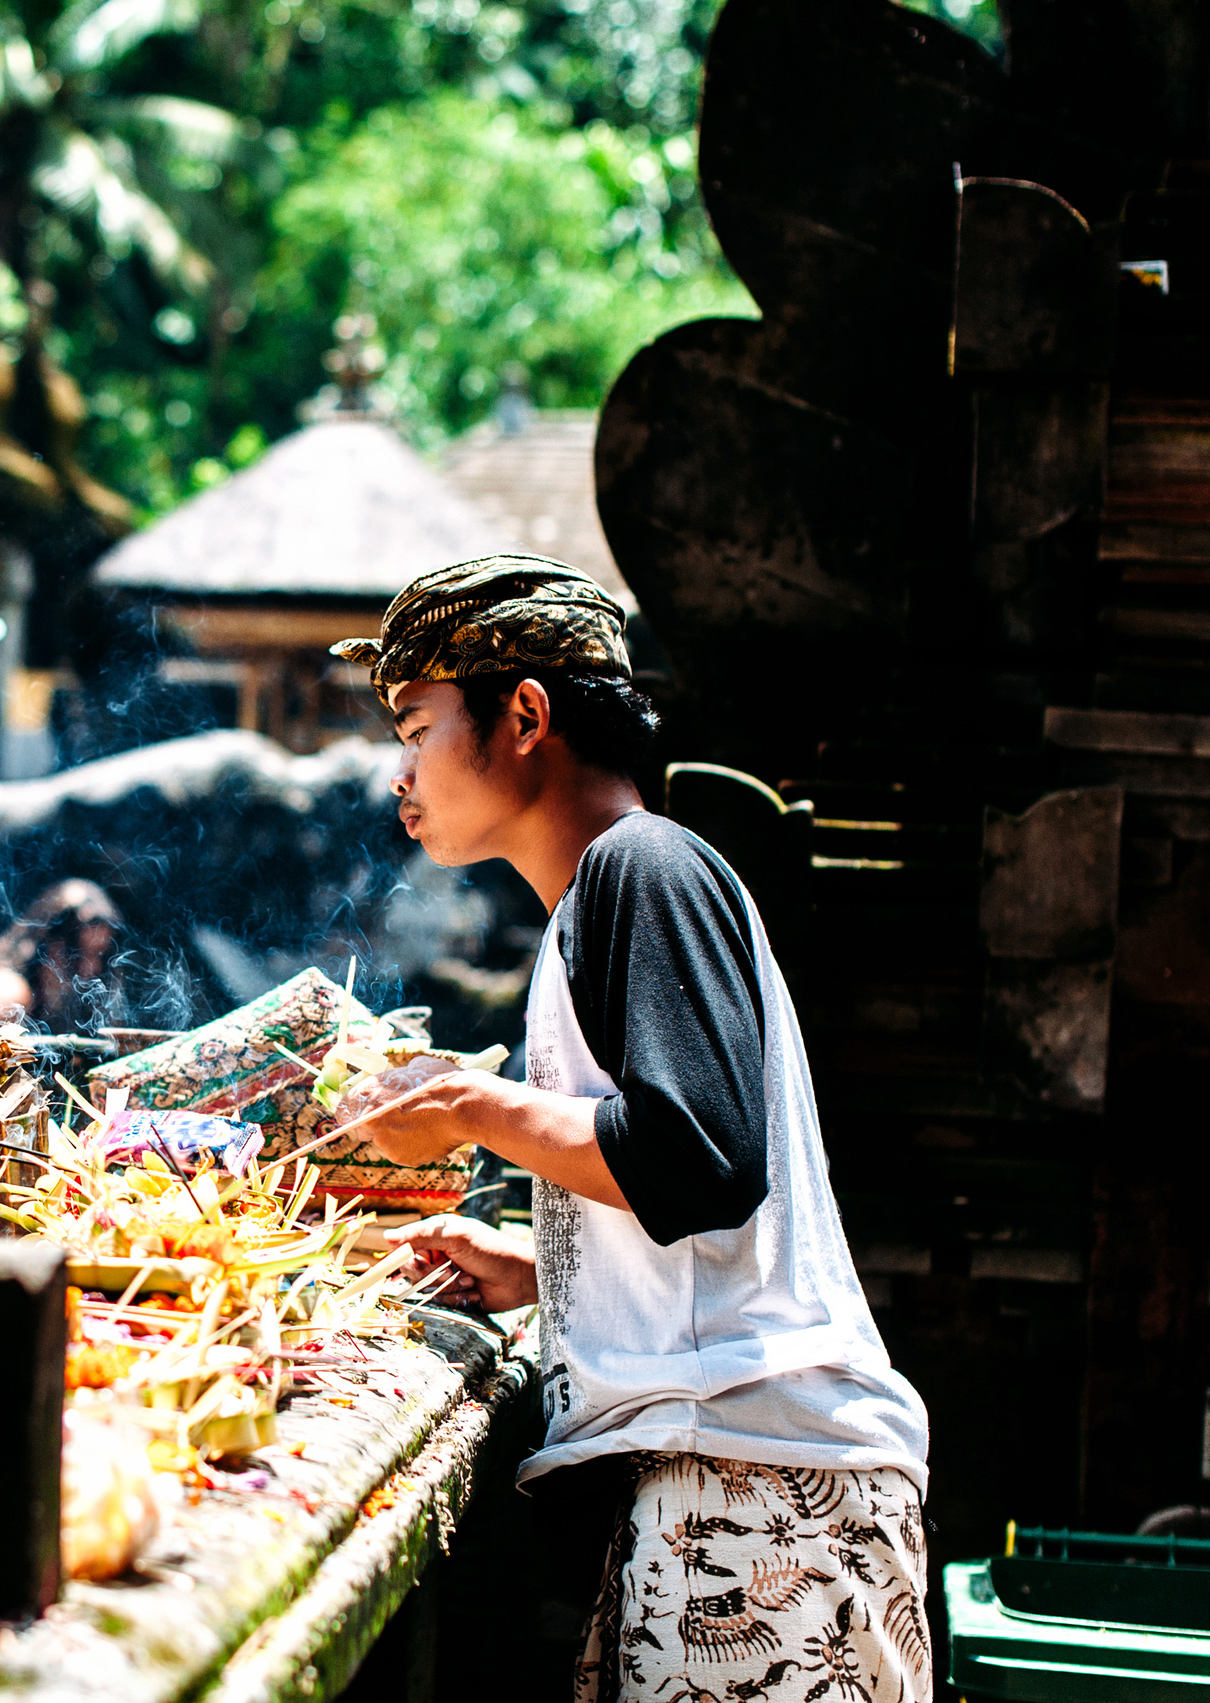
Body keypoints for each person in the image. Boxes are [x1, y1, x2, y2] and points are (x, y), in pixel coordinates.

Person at [328, 557, 932, 1703]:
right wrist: (548, 1271)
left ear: (524, 716)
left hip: (766, 1495)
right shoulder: (595, 904)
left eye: (415, 725)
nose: (398, 772)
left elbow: (700, 1156)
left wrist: (470, 1106)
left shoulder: (642, 866)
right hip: (717, 1480)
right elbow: (669, 1180)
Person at [0, 879, 126, 1031]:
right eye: (79, 954)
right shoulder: (7, 994)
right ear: (50, 944)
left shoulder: (67, 992)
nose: (91, 968)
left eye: (101, 955)